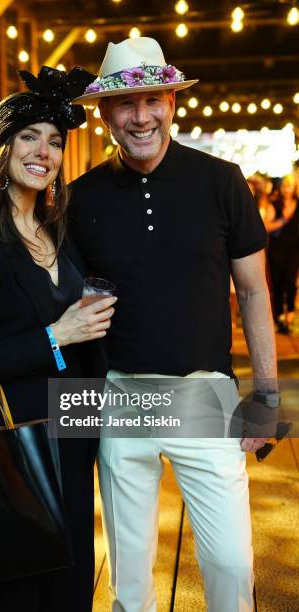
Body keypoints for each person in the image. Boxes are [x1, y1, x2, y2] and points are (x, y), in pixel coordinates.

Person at [69, 37, 278, 612]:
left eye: (154, 99)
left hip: (203, 393)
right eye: (127, 104)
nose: (142, 116)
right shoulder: (80, 198)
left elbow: (255, 290)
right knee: (129, 579)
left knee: (232, 564)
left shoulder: (222, 180)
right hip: (121, 397)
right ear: (105, 113)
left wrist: (265, 394)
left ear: (172, 104)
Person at [0, 66, 117, 612]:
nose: (44, 151)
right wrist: (55, 335)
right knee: (12, 591)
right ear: (4, 149)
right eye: (29, 136)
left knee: (67, 585)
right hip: (8, 447)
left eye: (55, 141)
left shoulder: (59, 232)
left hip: (68, 434)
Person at [265, 174, 299, 333]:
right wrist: (283, 220)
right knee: (277, 282)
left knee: (291, 281)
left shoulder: (297, 204)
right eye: (284, 186)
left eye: (289, 186)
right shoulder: (275, 204)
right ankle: (278, 315)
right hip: (277, 249)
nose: (286, 189)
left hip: (294, 248)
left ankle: (290, 314)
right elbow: (266, 227)